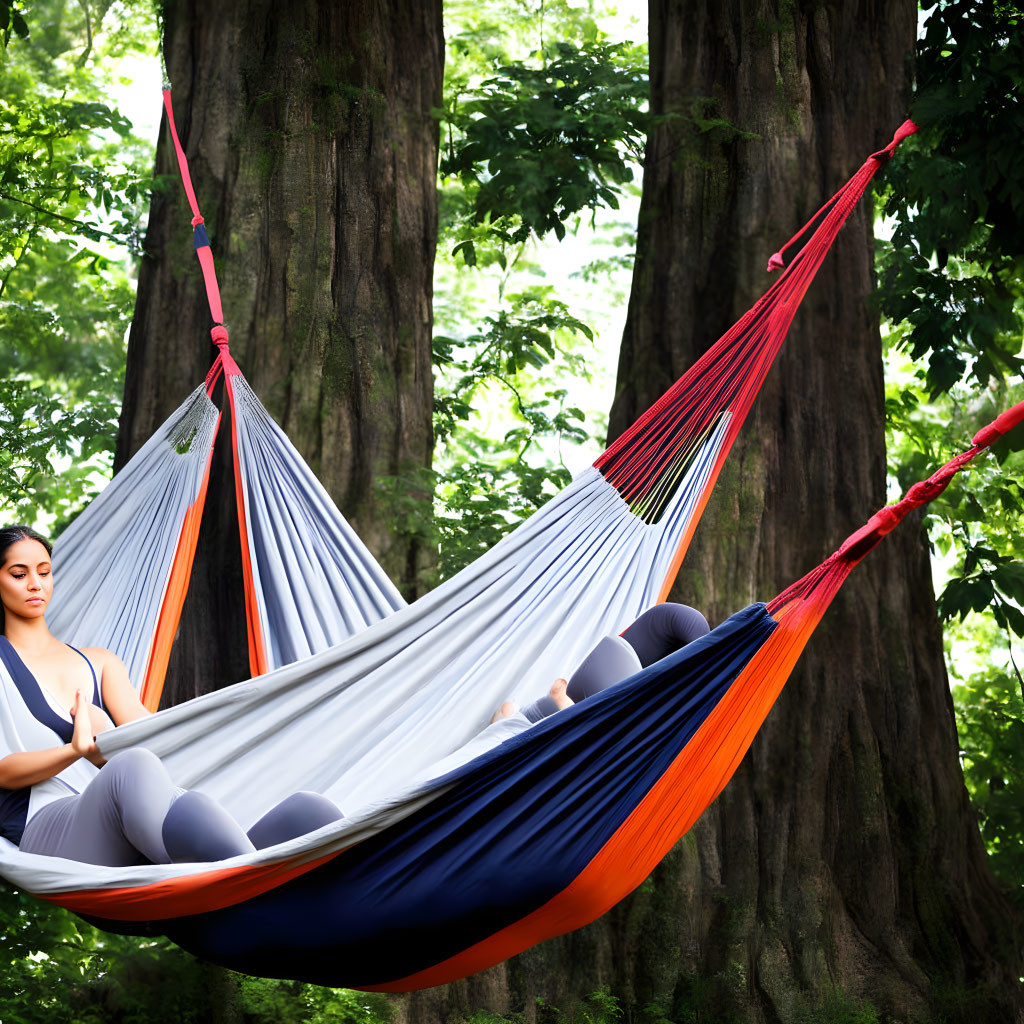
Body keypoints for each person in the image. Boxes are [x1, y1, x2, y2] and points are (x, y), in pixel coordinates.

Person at [0, 525, 343, 867]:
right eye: (19, 574)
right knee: (132, 767)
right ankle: (229, 874)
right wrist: (75, 751)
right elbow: (4, 770)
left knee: (307, 811)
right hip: (50, 828)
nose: (36, 584)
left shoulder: (99, 663)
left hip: (134, 823)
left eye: (44, 572)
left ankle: (241, 871)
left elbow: (155, 739)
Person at [492, 602, 711, 724]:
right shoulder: (695, 629)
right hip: (615, 676)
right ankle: (556, 707)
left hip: (599, 667)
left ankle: (522, 716)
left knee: (558, 711)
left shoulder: (675, 617)